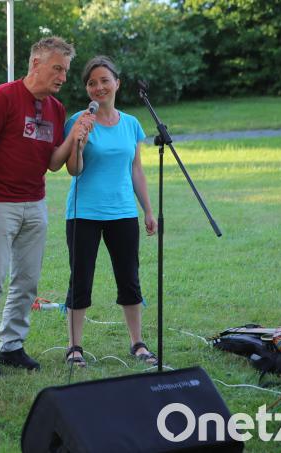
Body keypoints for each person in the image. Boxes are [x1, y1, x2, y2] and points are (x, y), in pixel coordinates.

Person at [0, 37, 95, 378]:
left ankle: (11, 345)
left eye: (66, 71)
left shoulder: (55, 109)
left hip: (35, 203)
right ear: (36, 63)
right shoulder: (3, 97)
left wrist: (74, 139)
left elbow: (54, 163)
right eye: (57, 68)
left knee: (27, 280)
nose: (63, 77)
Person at [62, 56, 158, 368]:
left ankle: (138, 343)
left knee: (129, 278)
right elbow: (73, 170)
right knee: (81, 280)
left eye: (105, 80)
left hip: (123, 213)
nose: (99, 87)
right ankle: (74, 347)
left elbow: (136, 171)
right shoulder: (79, 120)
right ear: (87, 89)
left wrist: (148, 211)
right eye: (92, 83)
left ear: (117, 82)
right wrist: (79, 142)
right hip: (84, 214)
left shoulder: (131, 124)